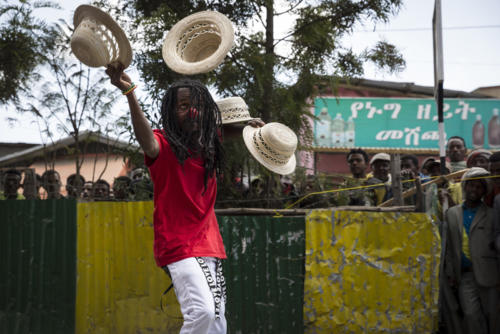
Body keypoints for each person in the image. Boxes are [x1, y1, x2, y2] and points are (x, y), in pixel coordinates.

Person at [106, 62, 264, 334]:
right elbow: (146, 140)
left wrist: (250, 129)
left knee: (216, 319)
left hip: (210, 244)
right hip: (178, 245)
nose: (192, 111)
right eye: (182, 106)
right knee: (201, 312)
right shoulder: (162, 144)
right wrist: (130, 92)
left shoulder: (209, 142)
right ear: (170, 112)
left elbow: (225, 131)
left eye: (198, 106)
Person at [444, 167, 499, 334]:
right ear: (464, 187)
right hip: (465, 276)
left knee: (494, 317)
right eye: (471, 186)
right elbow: (448, 246)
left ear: (484, 191)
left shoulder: (492, 214)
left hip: (490, 274)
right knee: (470, 315)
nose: (474, 190)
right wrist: (450, 272)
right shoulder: (452, 213)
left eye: (479, 187)